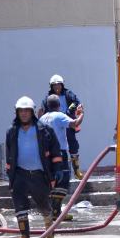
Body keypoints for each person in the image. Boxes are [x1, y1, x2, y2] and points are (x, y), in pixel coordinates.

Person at [6, 97, 62, 238]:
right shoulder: (12, 132)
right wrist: (9, 175)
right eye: (21, 110)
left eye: (27, 110)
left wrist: (57, 169)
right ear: (16, 112)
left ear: (32, 112)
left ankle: (49, 225)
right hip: (19, 174)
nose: (24, 113)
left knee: (44, 205)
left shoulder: (44, 130)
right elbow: (9, 155)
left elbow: (56, 151)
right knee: (20, 205)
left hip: (39, 175)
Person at [39, 94, 85, 222]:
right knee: (62, 181)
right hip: (59, 153)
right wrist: (81, 113)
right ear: (59, 105)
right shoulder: (60, 116)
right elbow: (75, 124)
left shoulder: (42, 118)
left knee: (52, 182)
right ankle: (56, 212)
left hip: (46, 155)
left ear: (47, 106)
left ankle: (52, 211)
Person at [38, 75, 85, 179]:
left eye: (58, 84)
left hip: (68, 122)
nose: (57, 87)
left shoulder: (68, 94)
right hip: (55, 125)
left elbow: (76, 103)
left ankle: (76, 170)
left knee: (73, 144)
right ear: (51, 86)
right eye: (54, 85)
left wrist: (67, 112)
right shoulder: (48, 97)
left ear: (62, 85)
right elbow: (44, 109)